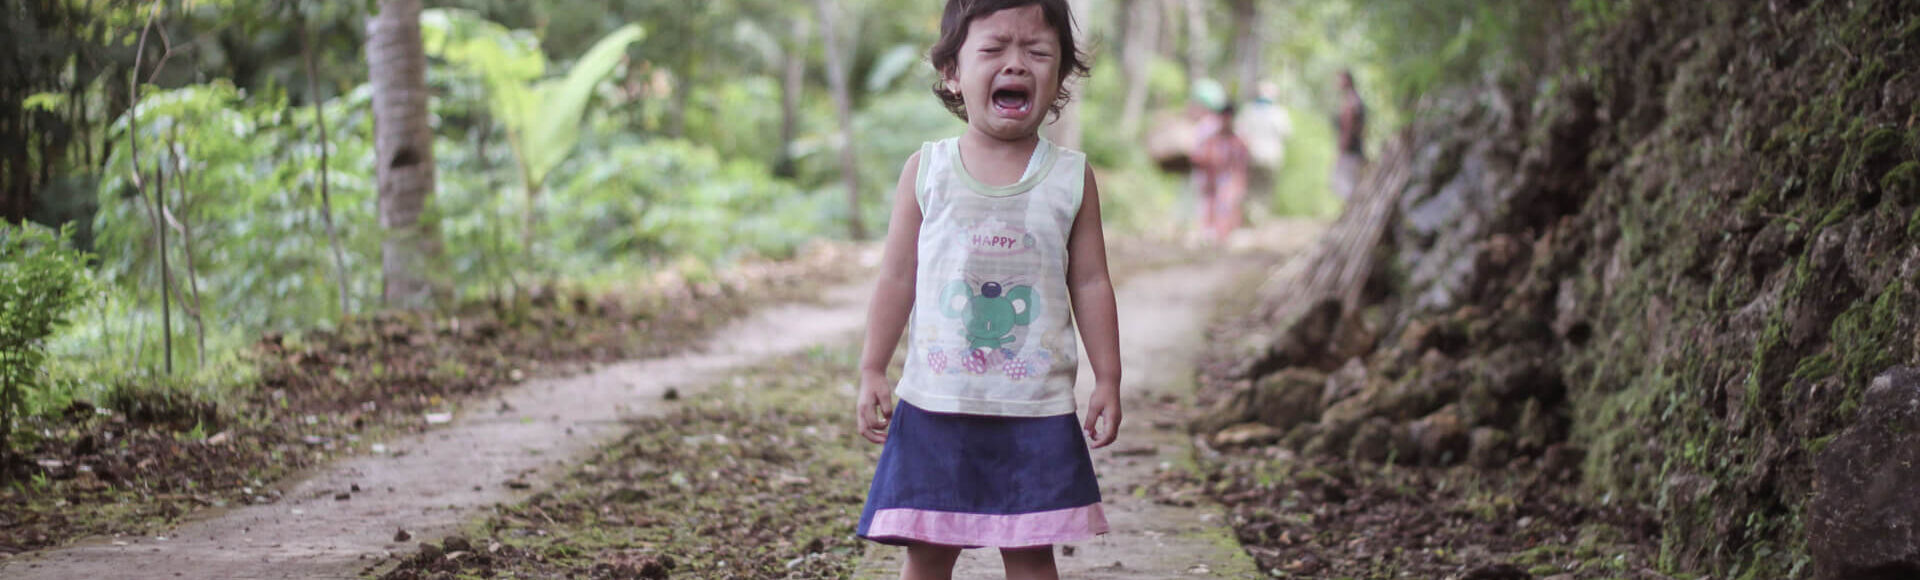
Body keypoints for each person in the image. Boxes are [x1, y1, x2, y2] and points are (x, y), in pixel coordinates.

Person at [852, 1, 1120, 578]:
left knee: (1029, 553)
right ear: (953, 72)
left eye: (1037, 52)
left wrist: (1110, 377)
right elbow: (897, 276)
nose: (1015, 64)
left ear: (1060, 75)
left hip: (1035, 406)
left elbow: (1092, 281)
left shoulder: (1072, 177)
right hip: (936, 403)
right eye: (993, 49)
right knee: (927, 552)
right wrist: (873, 368)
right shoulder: (928, 170)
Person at [1193, 103, 1251, 243]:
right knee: (1210, 209)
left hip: (1229, 183)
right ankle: (1209, 234)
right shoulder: (1211, 140)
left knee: (1227, 208)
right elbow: (1200, 159)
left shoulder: (1238, 142)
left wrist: (1239, 184)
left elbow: (1242, 166)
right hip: (1212, 181)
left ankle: (1224, 236)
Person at [1332, 69, 1368, 201]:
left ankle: (1353, 206)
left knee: (1345, 182)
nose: (1337, 83)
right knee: (1349, 181)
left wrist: (1342, 147)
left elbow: (1349, 127)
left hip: (1350, 149)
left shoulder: (1351, 102)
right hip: (1355, 148)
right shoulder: (1354, 100)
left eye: (1339, 79)